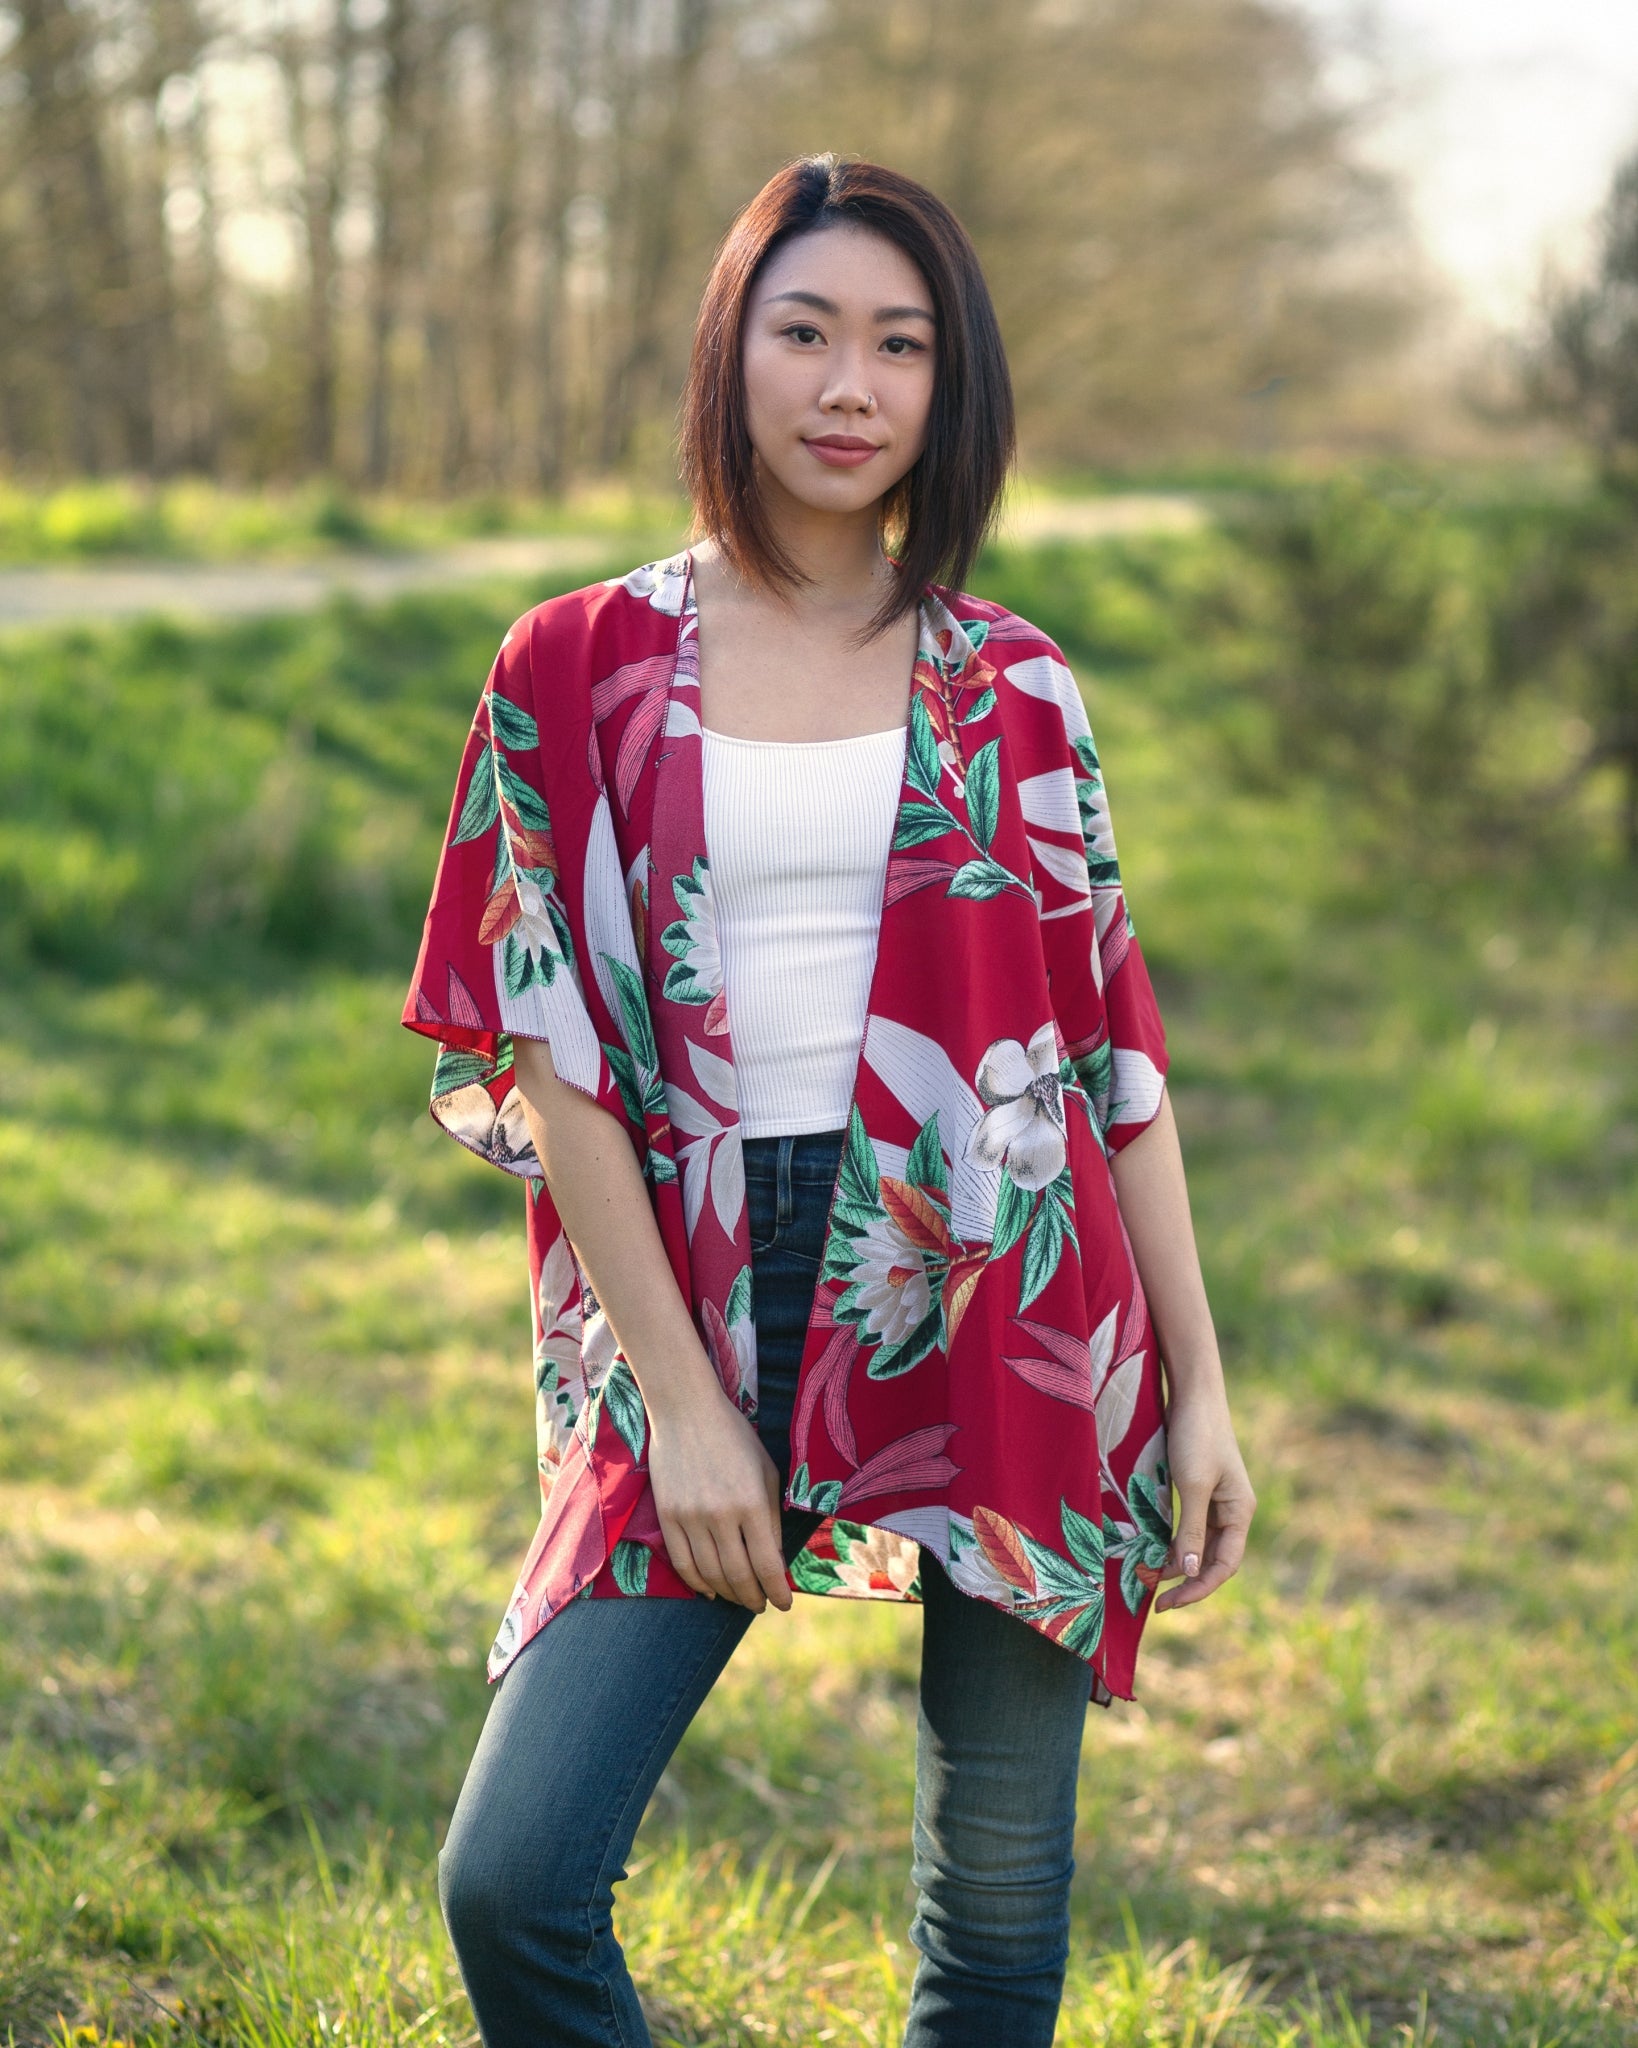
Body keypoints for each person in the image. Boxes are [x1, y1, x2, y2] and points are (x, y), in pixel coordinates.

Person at [402, 152, 1255, 2048]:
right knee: (517, 1881)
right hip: (693, 1290)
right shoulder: (574, 664)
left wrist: (1197, 1388)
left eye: (900, 344)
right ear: (734, 352)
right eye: (806, 333)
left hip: (1008, 1290)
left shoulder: (1012, 682)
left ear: (952, 390)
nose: (849, 386)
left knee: (997, 1915)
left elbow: (1112, 1064)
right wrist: (689, 1411)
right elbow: (554, 1061)